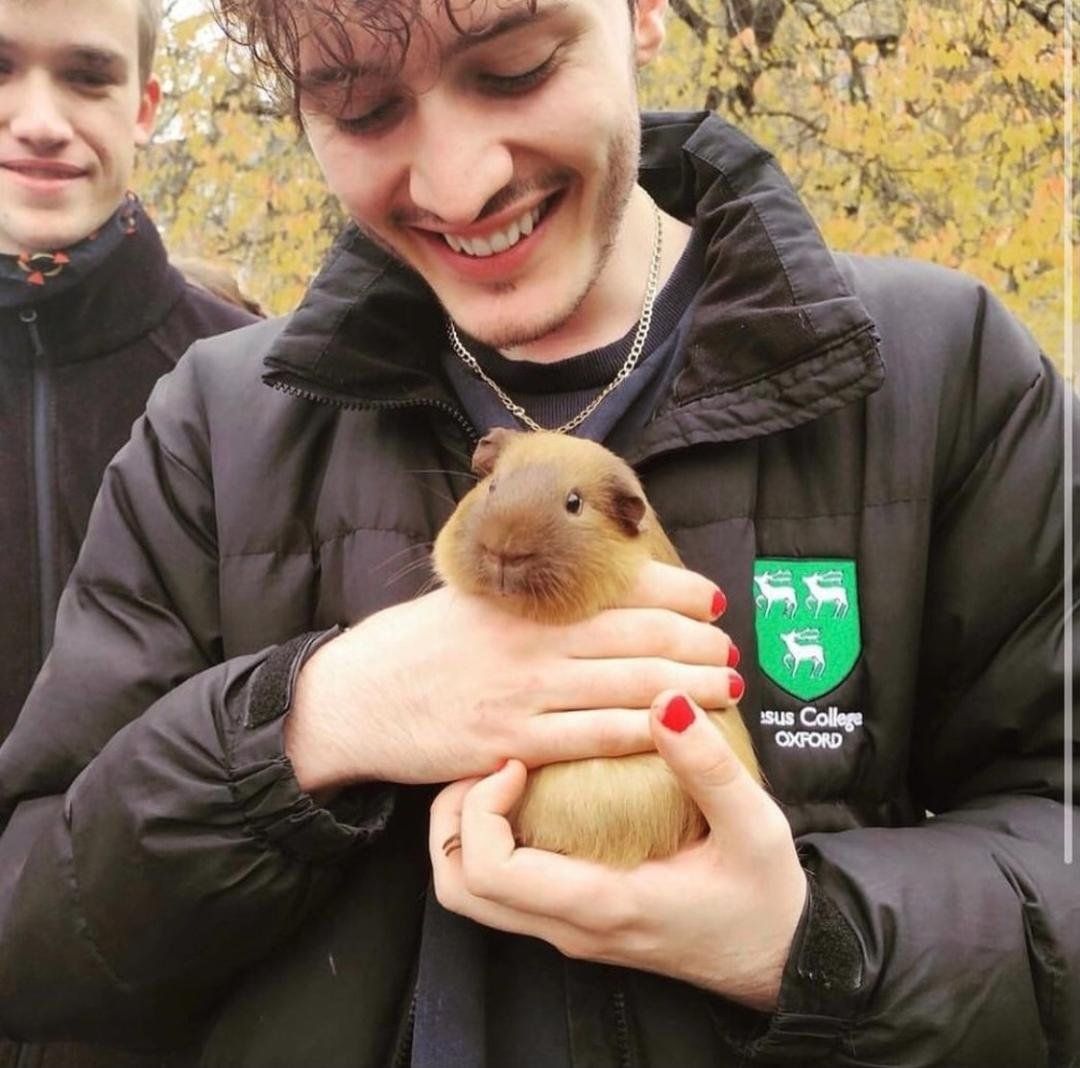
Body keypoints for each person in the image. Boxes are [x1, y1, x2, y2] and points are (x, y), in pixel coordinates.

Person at [0, 0, 1076, 1064]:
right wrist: (314, 718)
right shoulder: (214, 425)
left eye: (515, 71)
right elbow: (30, 927)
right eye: (363, 108)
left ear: (641, 15)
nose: (458, 184)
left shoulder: (950, 375)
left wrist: (814, 948)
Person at [0, 0, 257, 1063]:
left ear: (145, 103)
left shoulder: (260, 393)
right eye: (0, 68)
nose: (39, 119)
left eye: (87, 75)